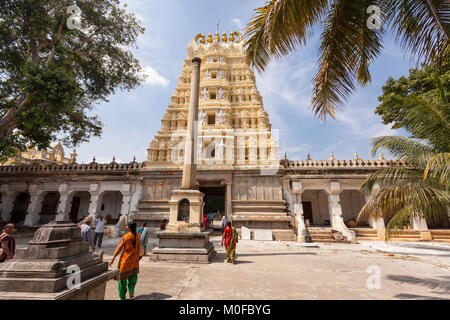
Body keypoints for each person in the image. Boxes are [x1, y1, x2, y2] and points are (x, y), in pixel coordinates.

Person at [109, 222, 141, 300]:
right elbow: (139, 246)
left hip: (125, 260)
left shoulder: (125, 237)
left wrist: (113, 258)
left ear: (129, 227)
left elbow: (119, 248)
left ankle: (122, 297)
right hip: (134, 260)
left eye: (127, 225)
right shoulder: (138, 235)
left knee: (122, 280)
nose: (126, 226)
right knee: (133, 276)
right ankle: (131, 293)